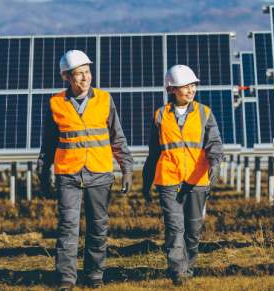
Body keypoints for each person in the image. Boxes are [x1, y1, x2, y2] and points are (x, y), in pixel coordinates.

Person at [37, 50, 134, 291]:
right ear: (66, 77)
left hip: (100, 173)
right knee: (67, 227)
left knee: (98, 226)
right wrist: (42, 173)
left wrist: (127, 169)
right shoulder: (56, 103)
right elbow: (48, 143)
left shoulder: (104, 99)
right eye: (78, 74)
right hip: (68, 174)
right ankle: (66, 279)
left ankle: (95, 275)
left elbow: (117, 138)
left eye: (87, 72)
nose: (85, 78)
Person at [142, 65, 223, 286]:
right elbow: (154, 150)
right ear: (172, 89)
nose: (191, 90)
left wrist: (215, 165)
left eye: (193, 85)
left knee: (193, 229)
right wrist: (146, 180)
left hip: (197, 180)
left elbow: (214, 144)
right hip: (169, 180)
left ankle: (188, 268)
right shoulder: (160, 115)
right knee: (174, 226)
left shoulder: (204, 112)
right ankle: (178, 272)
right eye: (185, 86)